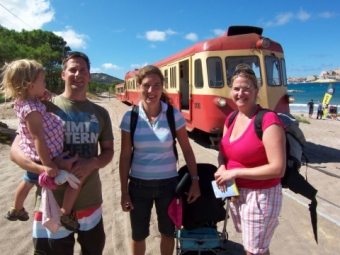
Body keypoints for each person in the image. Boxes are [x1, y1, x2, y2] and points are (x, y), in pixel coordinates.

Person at [9, 52, 114, 254]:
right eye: (72, 69)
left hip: (90, 201)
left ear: (89, 76)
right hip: (50, 203)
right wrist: (47, 168)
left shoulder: (101, 113)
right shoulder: (41, 106)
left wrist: (92, 162)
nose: (78, 74)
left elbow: (108, 152)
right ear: (63, 75)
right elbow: (15, 152)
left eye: (83, 70)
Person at [119, 65, 201, 255]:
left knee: (168, 233)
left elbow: (187, 150)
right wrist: (124, 192)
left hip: (168, 187)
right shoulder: (129, 117)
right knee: (138, 235)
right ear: (139, 87)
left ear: (162, 87)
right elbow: (124, 157)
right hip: (138, 187)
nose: (151, 91)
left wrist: (195, 180)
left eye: (156, 86)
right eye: (146, 85)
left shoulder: (173, 115)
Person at [1, 59, 81, 231]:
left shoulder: (26, 102)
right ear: (31, 86)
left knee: (27, 181)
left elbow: (34, 99)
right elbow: (38, 138)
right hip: (44, 158)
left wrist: (42, 93)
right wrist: (48, 165)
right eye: (42, 81)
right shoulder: (32, 112)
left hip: (39, 156)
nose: (45, 84)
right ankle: (65, 212)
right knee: (76, 176)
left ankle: (17, 208)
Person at [214, 64, 286, 255]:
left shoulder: (268, 120)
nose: (241, 93)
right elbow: (224, 151)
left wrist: (235, 172)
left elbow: (278, 169)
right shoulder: (231, 118)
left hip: (261, 195)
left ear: (256, 90)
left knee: (254, 251)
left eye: (246, 88)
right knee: (256, 248)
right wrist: (222, 166)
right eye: (236, 89)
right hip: (238, 193)